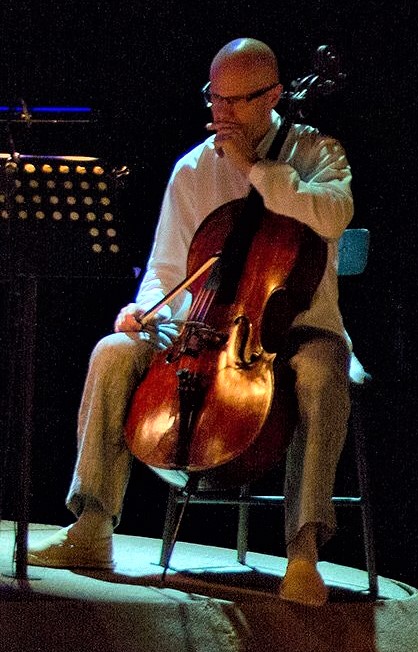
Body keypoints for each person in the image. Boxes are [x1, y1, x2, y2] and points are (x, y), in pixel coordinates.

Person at [26, 38, 354, 606]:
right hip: (205, 329)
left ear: (274, 95)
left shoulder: (317, 152)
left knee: (324, 375)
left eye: (236, 101)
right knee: (112, 351)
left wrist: (258, 171)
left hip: (302, 327)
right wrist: (146, 311)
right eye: (214, 98)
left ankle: (303, 551)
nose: (220, 113)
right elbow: (165, 269)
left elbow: (332, 214)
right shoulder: (193, 169)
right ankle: (93, 524)